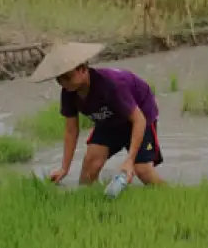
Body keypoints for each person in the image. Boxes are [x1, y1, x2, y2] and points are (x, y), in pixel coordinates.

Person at [30, 42, 165, 187]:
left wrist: (129, 160)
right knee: (90, 165)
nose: (63, 84)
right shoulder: (69, 93)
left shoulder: (110, 85)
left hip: (140, 115)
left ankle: (168, 196)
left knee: (142, 169)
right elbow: (71, 130)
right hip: (108, 119)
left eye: (67, 78)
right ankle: (89, 202)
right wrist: (64, 168)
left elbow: (138, 120)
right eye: (59, 80)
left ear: (82, 69)